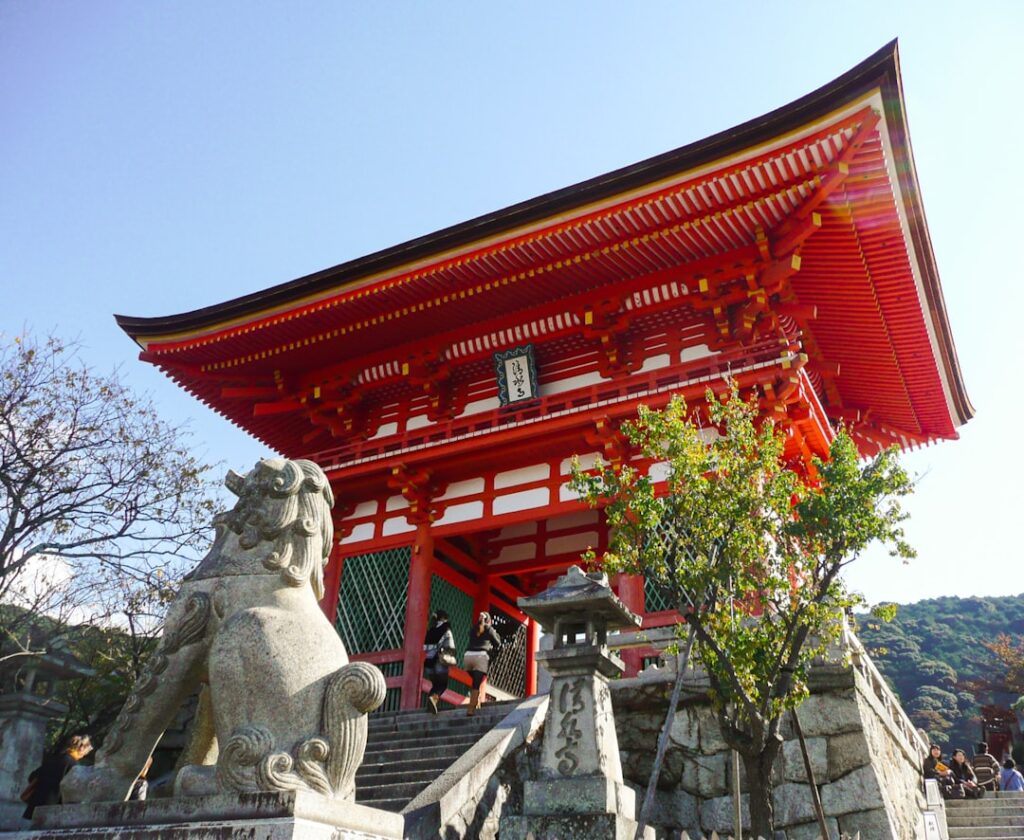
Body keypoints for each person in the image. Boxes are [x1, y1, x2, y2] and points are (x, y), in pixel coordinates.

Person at [21, 734, 93, 819]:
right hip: (55, 809)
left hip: (37, 805)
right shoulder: (74, 766)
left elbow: (32, 776)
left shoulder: (56, 758)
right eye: (86, 752)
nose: (84, 755)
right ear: (81, 748)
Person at [464, 612, 502, 716]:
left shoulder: (473, 628)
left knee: (476, 680)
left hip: (468, 657)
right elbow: (498, 642)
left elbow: (471, 635)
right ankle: (471, 709)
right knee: (476, 683)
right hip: (480, 657)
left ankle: (476, 700)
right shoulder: (489, 629)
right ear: (489, 621)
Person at [422, 610, 455, 714]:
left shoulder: (430, 630)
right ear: (444, 618)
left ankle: (431, 704)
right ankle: (433, 699)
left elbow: (424, 648)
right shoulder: (446, 629)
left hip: (428, 663)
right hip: (439, 661)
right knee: (442, 685)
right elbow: (450, 646)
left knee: (435, 685)